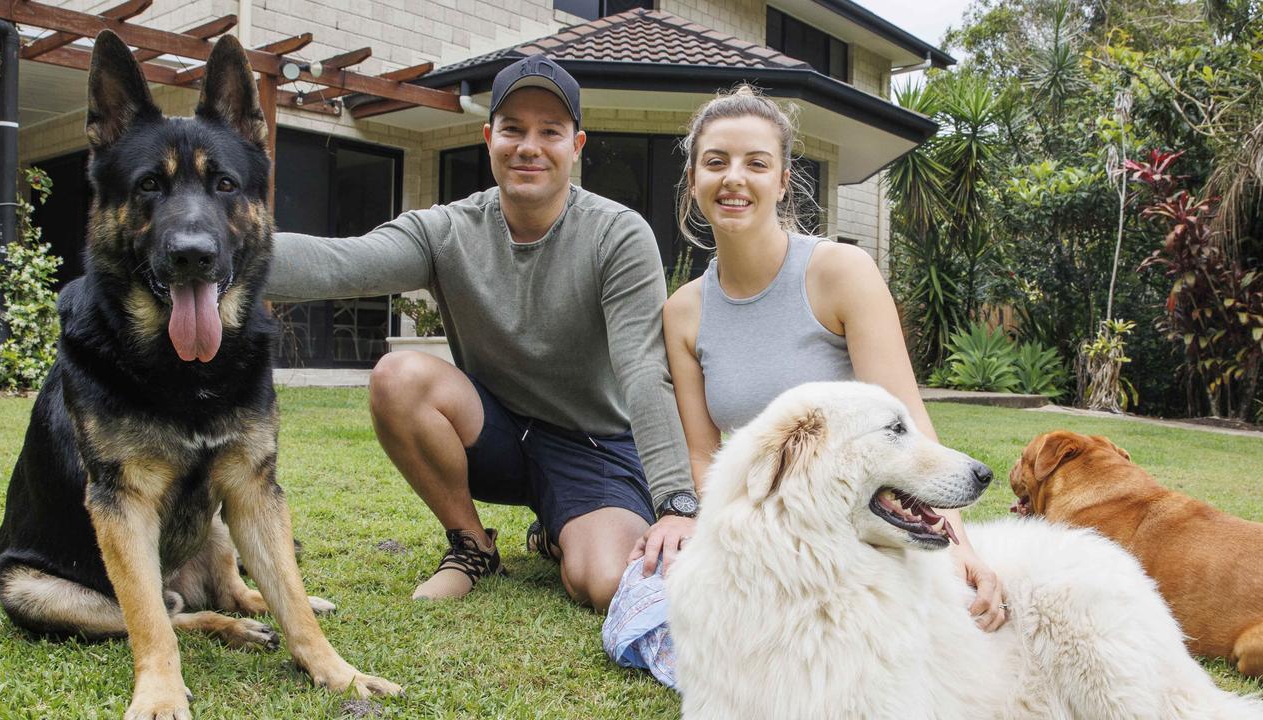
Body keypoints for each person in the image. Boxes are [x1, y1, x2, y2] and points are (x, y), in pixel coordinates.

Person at [267, 54, 696, 610]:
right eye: (513, 129)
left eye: (550, 132)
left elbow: (643, 367)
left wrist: (677, 503)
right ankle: (473, 546)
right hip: (498, 434)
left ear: (577, 146)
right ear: (488, 138)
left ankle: (559, 531)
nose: (528, 146)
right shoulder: (446, 231)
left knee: (607, 581)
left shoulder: (616, 235)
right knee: (399, 376)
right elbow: (341, 262)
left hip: (594, 444)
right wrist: (213, 256)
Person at [630, 84, 1007, 629]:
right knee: (650, 608)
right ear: (693, 180)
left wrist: (953, 543)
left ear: (783, 181)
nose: (734, 177)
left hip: (860, 522)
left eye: (756, 163)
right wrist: (707, 538)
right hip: (776, 530)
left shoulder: (840, 274)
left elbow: (907, 422)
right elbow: (703, 461)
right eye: (716, 162)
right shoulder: (683, 311)